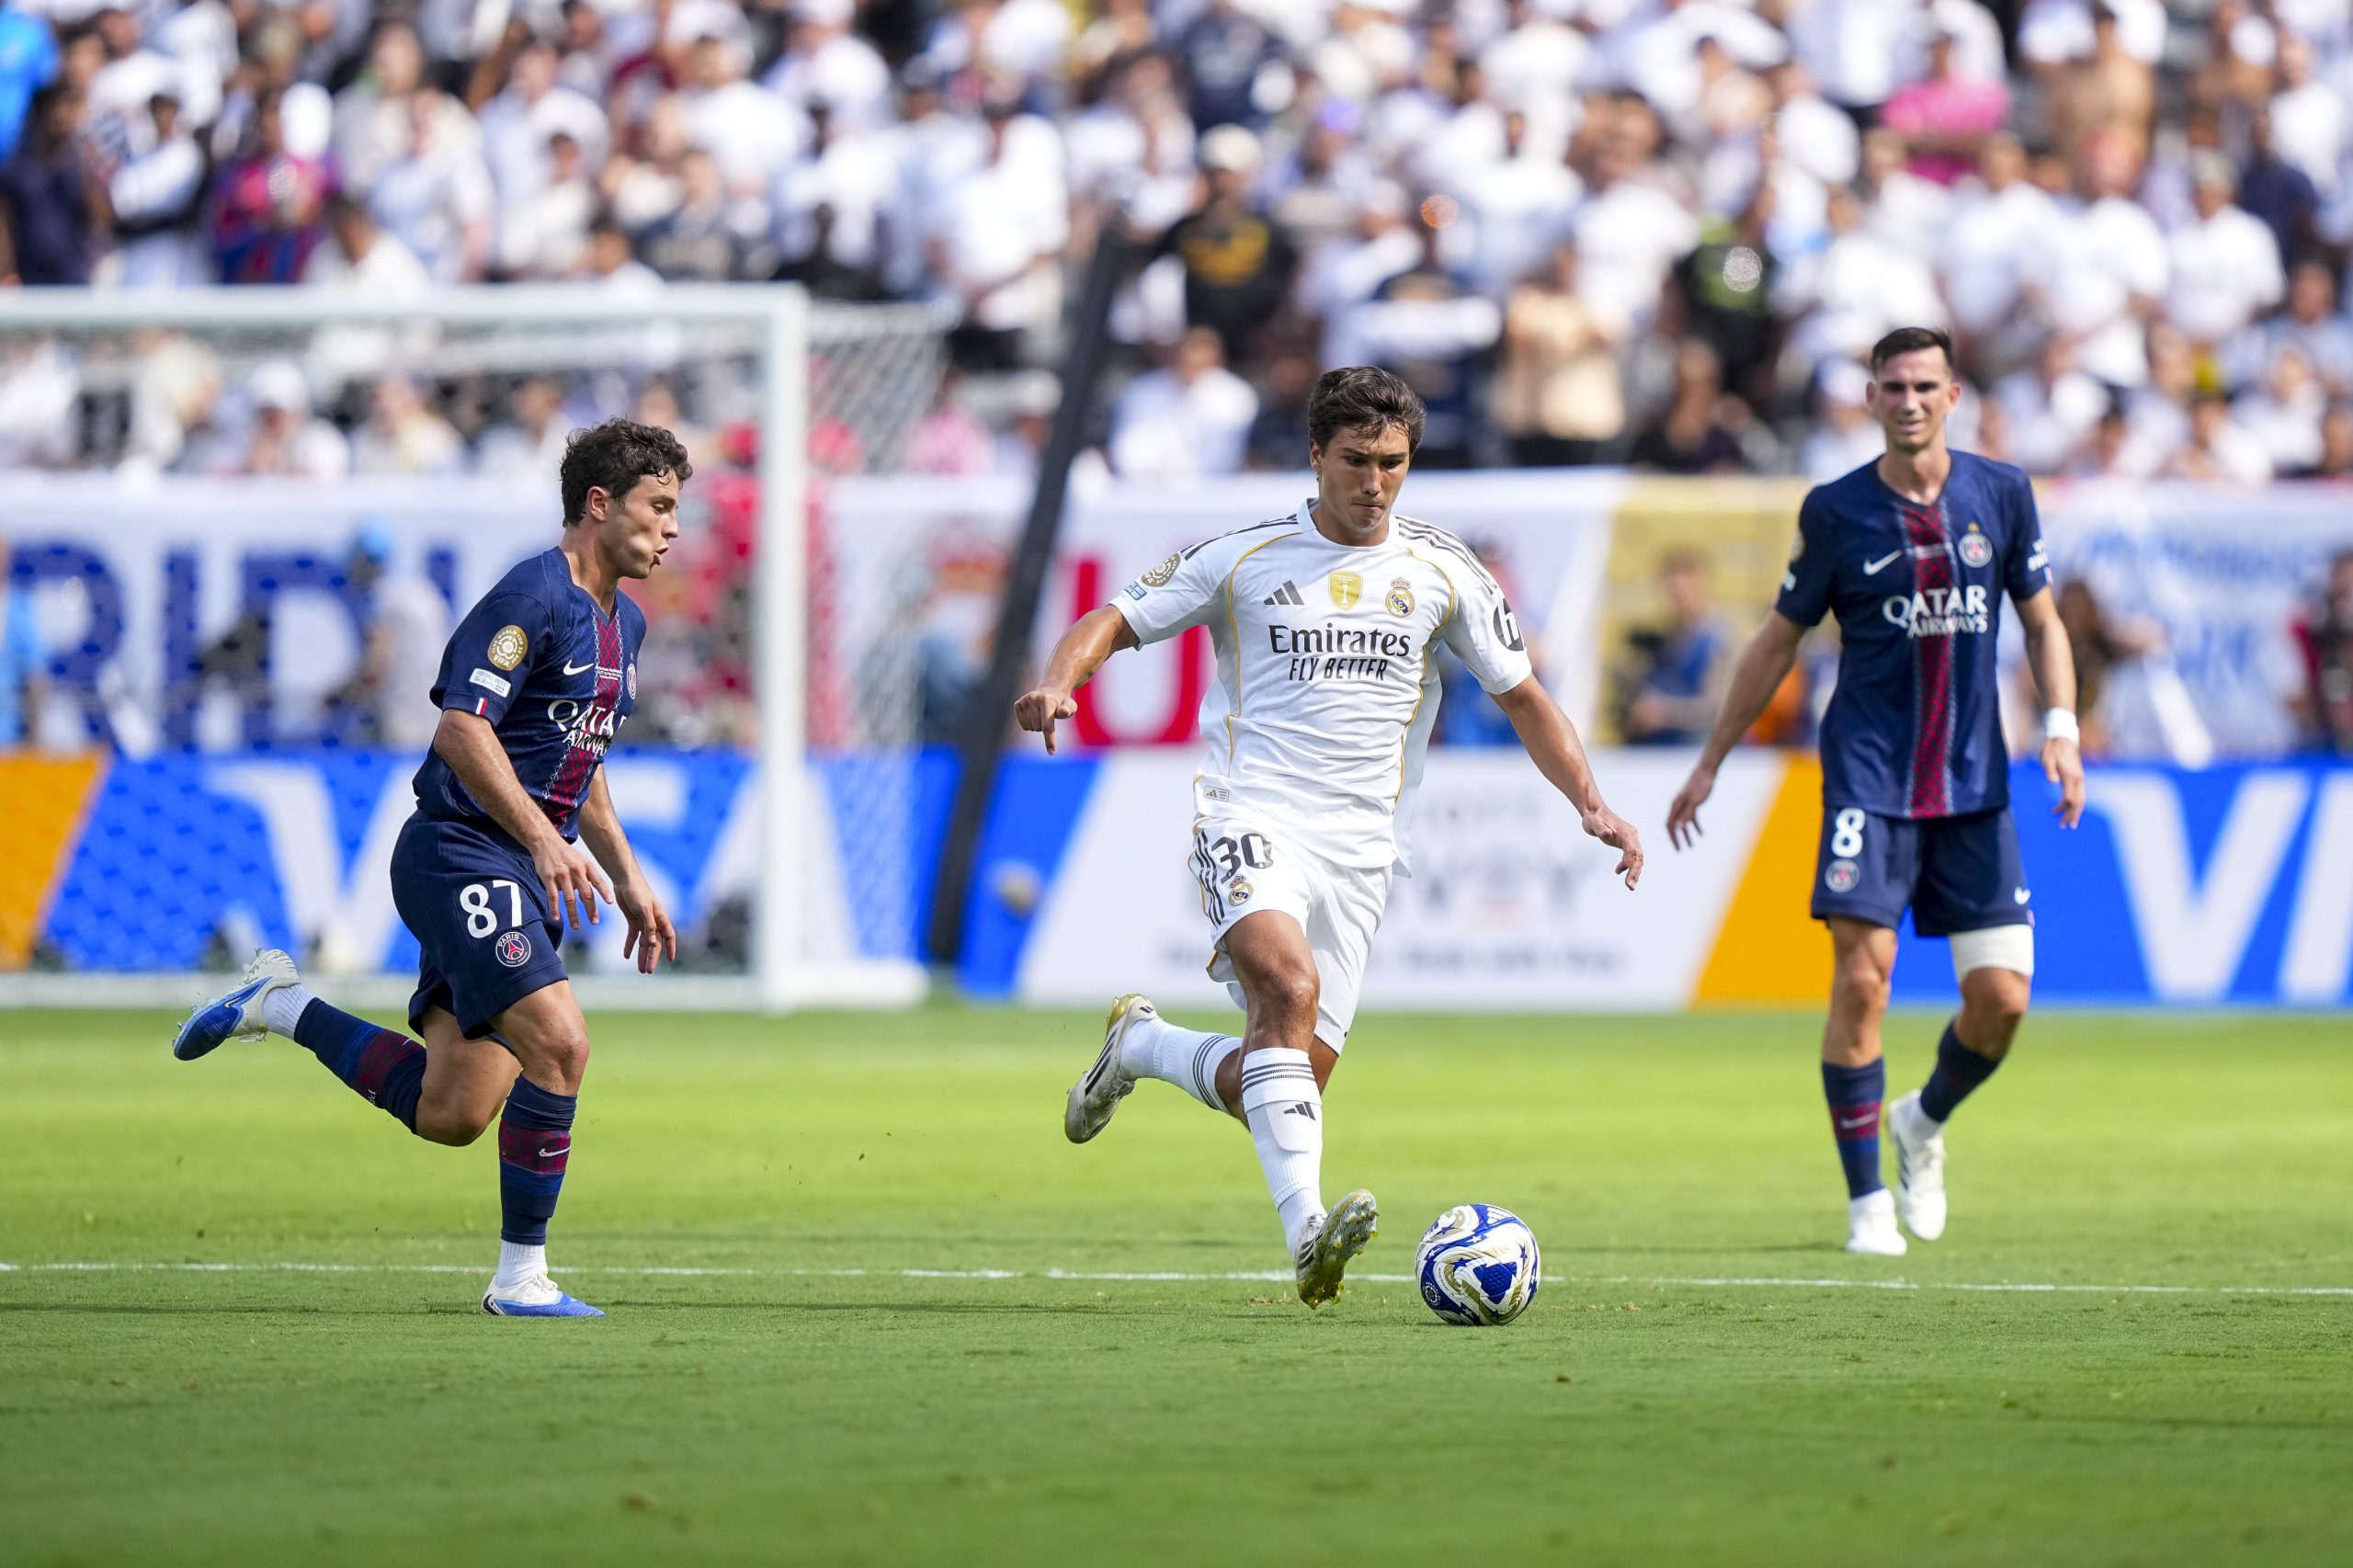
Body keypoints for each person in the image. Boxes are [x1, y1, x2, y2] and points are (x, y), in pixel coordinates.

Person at [1018, 367, 1643, 1308]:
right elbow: (1114, 618)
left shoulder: (1443, 571)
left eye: (1393, 463)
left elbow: (1524, 697)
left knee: (1279, 1073)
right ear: (1315, 456)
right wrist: (1058, 681)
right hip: (1250, 810)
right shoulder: (1242, 554)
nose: (1374, 482)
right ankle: (1308, 1234)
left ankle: (1141, 1047)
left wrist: (1591, 803)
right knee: (1288, 984)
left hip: (1363, 846)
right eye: (1355, 460)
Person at [171, 420, 688, 1318]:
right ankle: (521, 1279)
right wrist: (539, 836)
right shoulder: (531, 595)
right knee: (562, 1043)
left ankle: (278, 1003)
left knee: (451, 1111)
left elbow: (583, 754)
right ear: (599, 505)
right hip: (460, 851)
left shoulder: (625, 621)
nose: (673, 526)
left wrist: (628, 875)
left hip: (517, 863)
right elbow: (460, 725)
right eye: (659, 506)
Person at [1665, 326, 2086, 1257]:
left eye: (1923, 384)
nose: (1907, 400)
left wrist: (2061, 727)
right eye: (1891, 385)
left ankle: (1920, 1120)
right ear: (1870, 398)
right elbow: (1776, 641)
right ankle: (1865, 1204)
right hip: (1867, 777)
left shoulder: (2002, 493)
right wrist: (1711, 759)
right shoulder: (1836, 511)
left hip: (1973, 781)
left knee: (2003, 1001)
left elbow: (2044, 620)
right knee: (1863, 977)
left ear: (1952, 394)